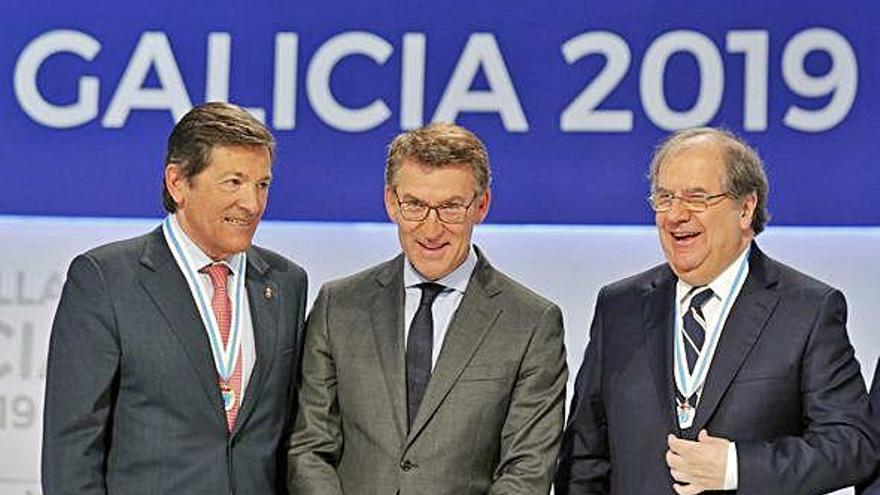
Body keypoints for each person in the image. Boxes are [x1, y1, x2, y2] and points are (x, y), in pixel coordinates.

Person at [556, 127, 878, 494]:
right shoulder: (619, 306)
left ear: (746, 208)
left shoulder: (807, 310)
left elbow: (851, 445)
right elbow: (584, 455)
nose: (675, 214)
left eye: (697, 198)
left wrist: (737, 467)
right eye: (664, 198)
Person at [42, 102, 308, 495]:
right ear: (178, 182)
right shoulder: (106, 279)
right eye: (233, 182)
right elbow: (72, 451)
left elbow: (287, 437)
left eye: (262, 184)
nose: (252, 204)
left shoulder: (286, 283)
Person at [288, 122, 567, 494]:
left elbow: (526, 472)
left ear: (481, 205)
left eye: (451, 207)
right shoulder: (337, 306)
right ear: (391, 202)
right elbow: (309, 449)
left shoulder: (532, 324)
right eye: (415, 205)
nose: (431, 230)